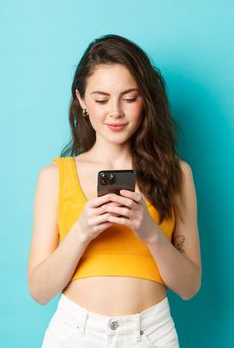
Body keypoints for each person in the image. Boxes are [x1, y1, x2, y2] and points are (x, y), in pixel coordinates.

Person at [27, 34, 201, 348]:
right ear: (81, 100)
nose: (115, 112)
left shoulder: (177, 174)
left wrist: (149, 232)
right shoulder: (54, 176)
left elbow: (189, 287)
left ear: (146, 99)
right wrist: (82, 230)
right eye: (101, 98)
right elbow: (39, 291)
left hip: (152, 334)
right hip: (75, 333)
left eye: (129, 97)